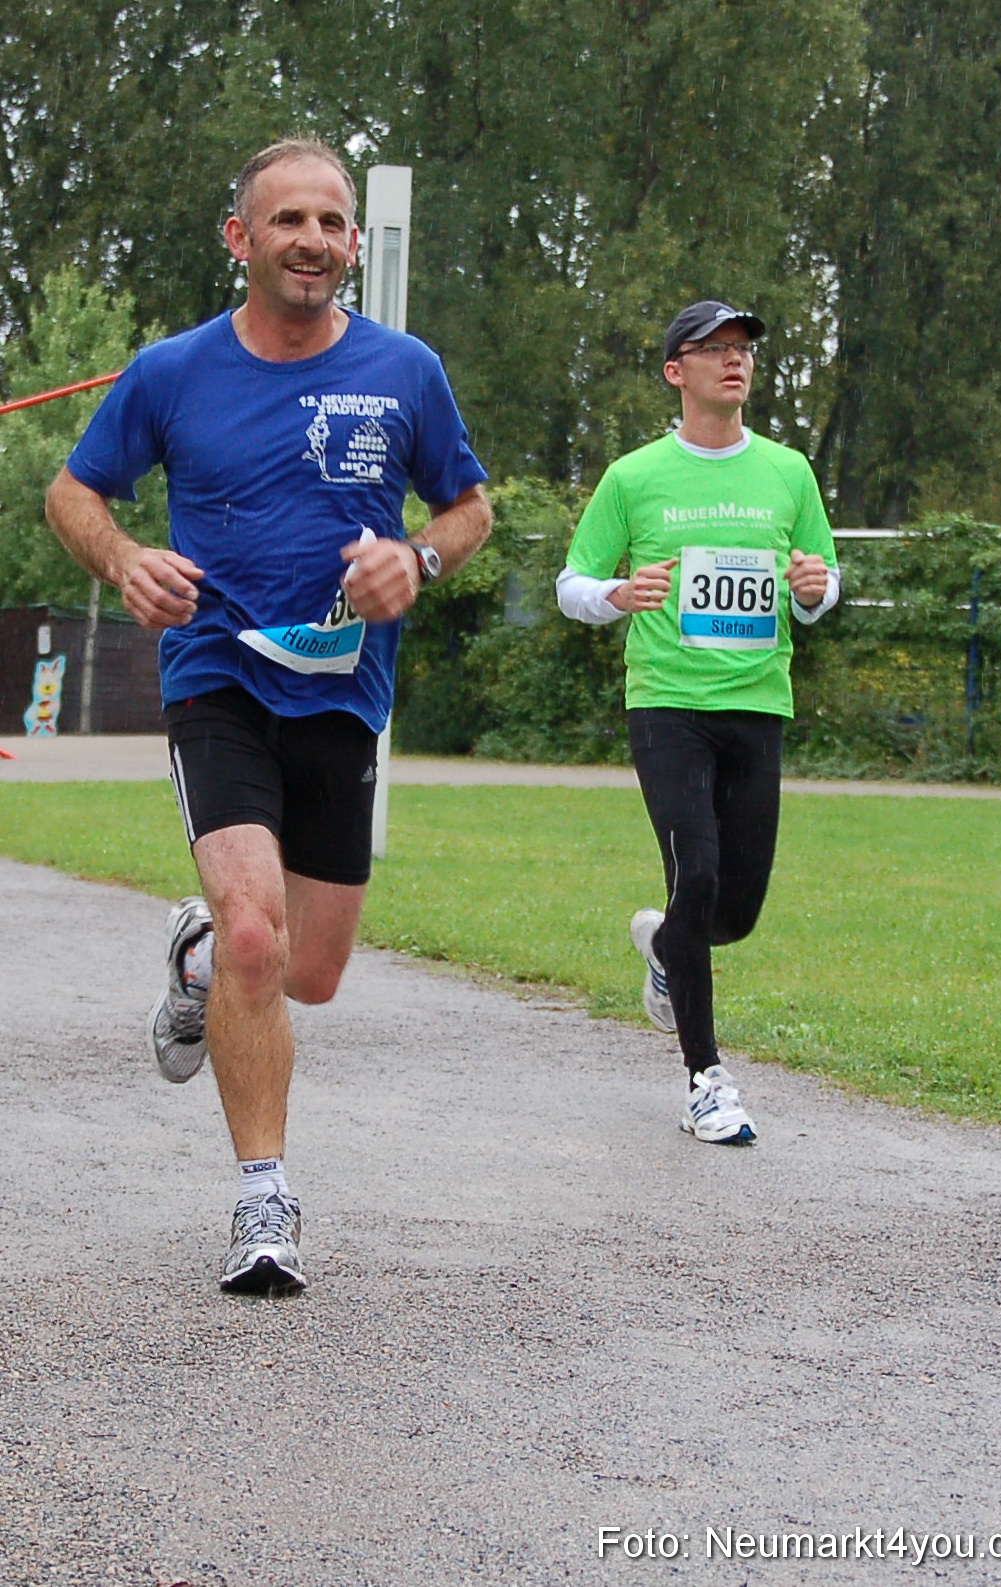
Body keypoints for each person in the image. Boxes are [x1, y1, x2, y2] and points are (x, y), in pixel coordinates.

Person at [45, 138, 491, 1293]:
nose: (313, 240)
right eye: (287, 219)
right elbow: (74, 489)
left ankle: (193, 966)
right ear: (240, 239)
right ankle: (263, 1203)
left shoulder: (405, 371)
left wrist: (417, 561)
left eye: (332, 222)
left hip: (344, 692)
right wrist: (126, 557)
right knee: (258, 929)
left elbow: (469, 508)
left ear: (353, 243)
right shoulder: (173, 370)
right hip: (217, 677)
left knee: (312, 971)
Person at [556, 299, 838, 1145]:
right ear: (675, 371)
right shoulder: (634, 477)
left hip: (758, 704)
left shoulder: (787, 472)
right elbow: (572, 584)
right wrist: (617, 594)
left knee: (734, 909)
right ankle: (705, 1080)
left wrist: (814, 589)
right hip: (668, 706)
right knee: (699, 871)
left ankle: (667, 951)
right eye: (712, 349)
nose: (734, 361)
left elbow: (821, 583)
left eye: (743, 349)